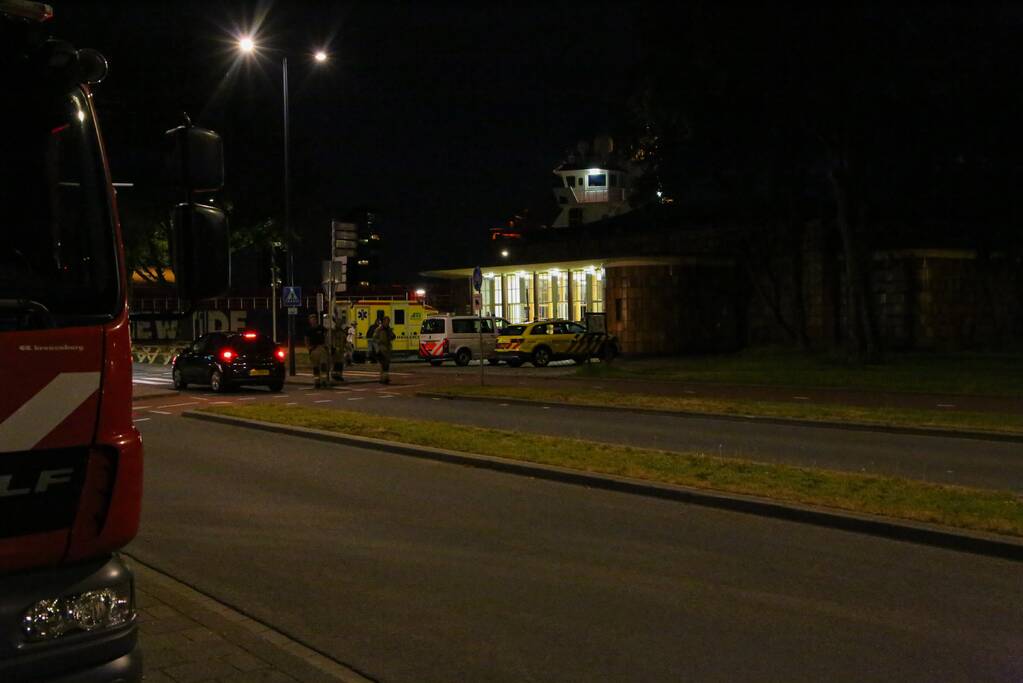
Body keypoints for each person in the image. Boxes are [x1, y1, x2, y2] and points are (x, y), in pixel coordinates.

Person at [305, 313, 329, 388]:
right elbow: (306, 339)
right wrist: (309, 348)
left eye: (314, 319)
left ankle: (324, 380)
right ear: (309, 321)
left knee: (323, 364)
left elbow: (326, 334)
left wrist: (326, 345)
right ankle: (317, 381)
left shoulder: (321, 328)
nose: (313, 320)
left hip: (321, 347)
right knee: (315, 366)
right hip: (313, 349)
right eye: (311, 319)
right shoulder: (308, 330)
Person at [372, 315, 396, 384]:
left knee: (387, 364)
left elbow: (393, 337)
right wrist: (377, 349)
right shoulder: (379, 330)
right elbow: (374, 339)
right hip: (381, 348)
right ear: (383, 322)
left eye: (388, 321)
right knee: (384, 364)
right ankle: (384, 378)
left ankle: (384, 377)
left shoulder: (389, 330)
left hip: (388, 349)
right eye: (386, 321)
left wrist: (392, 334)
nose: (387, 323)